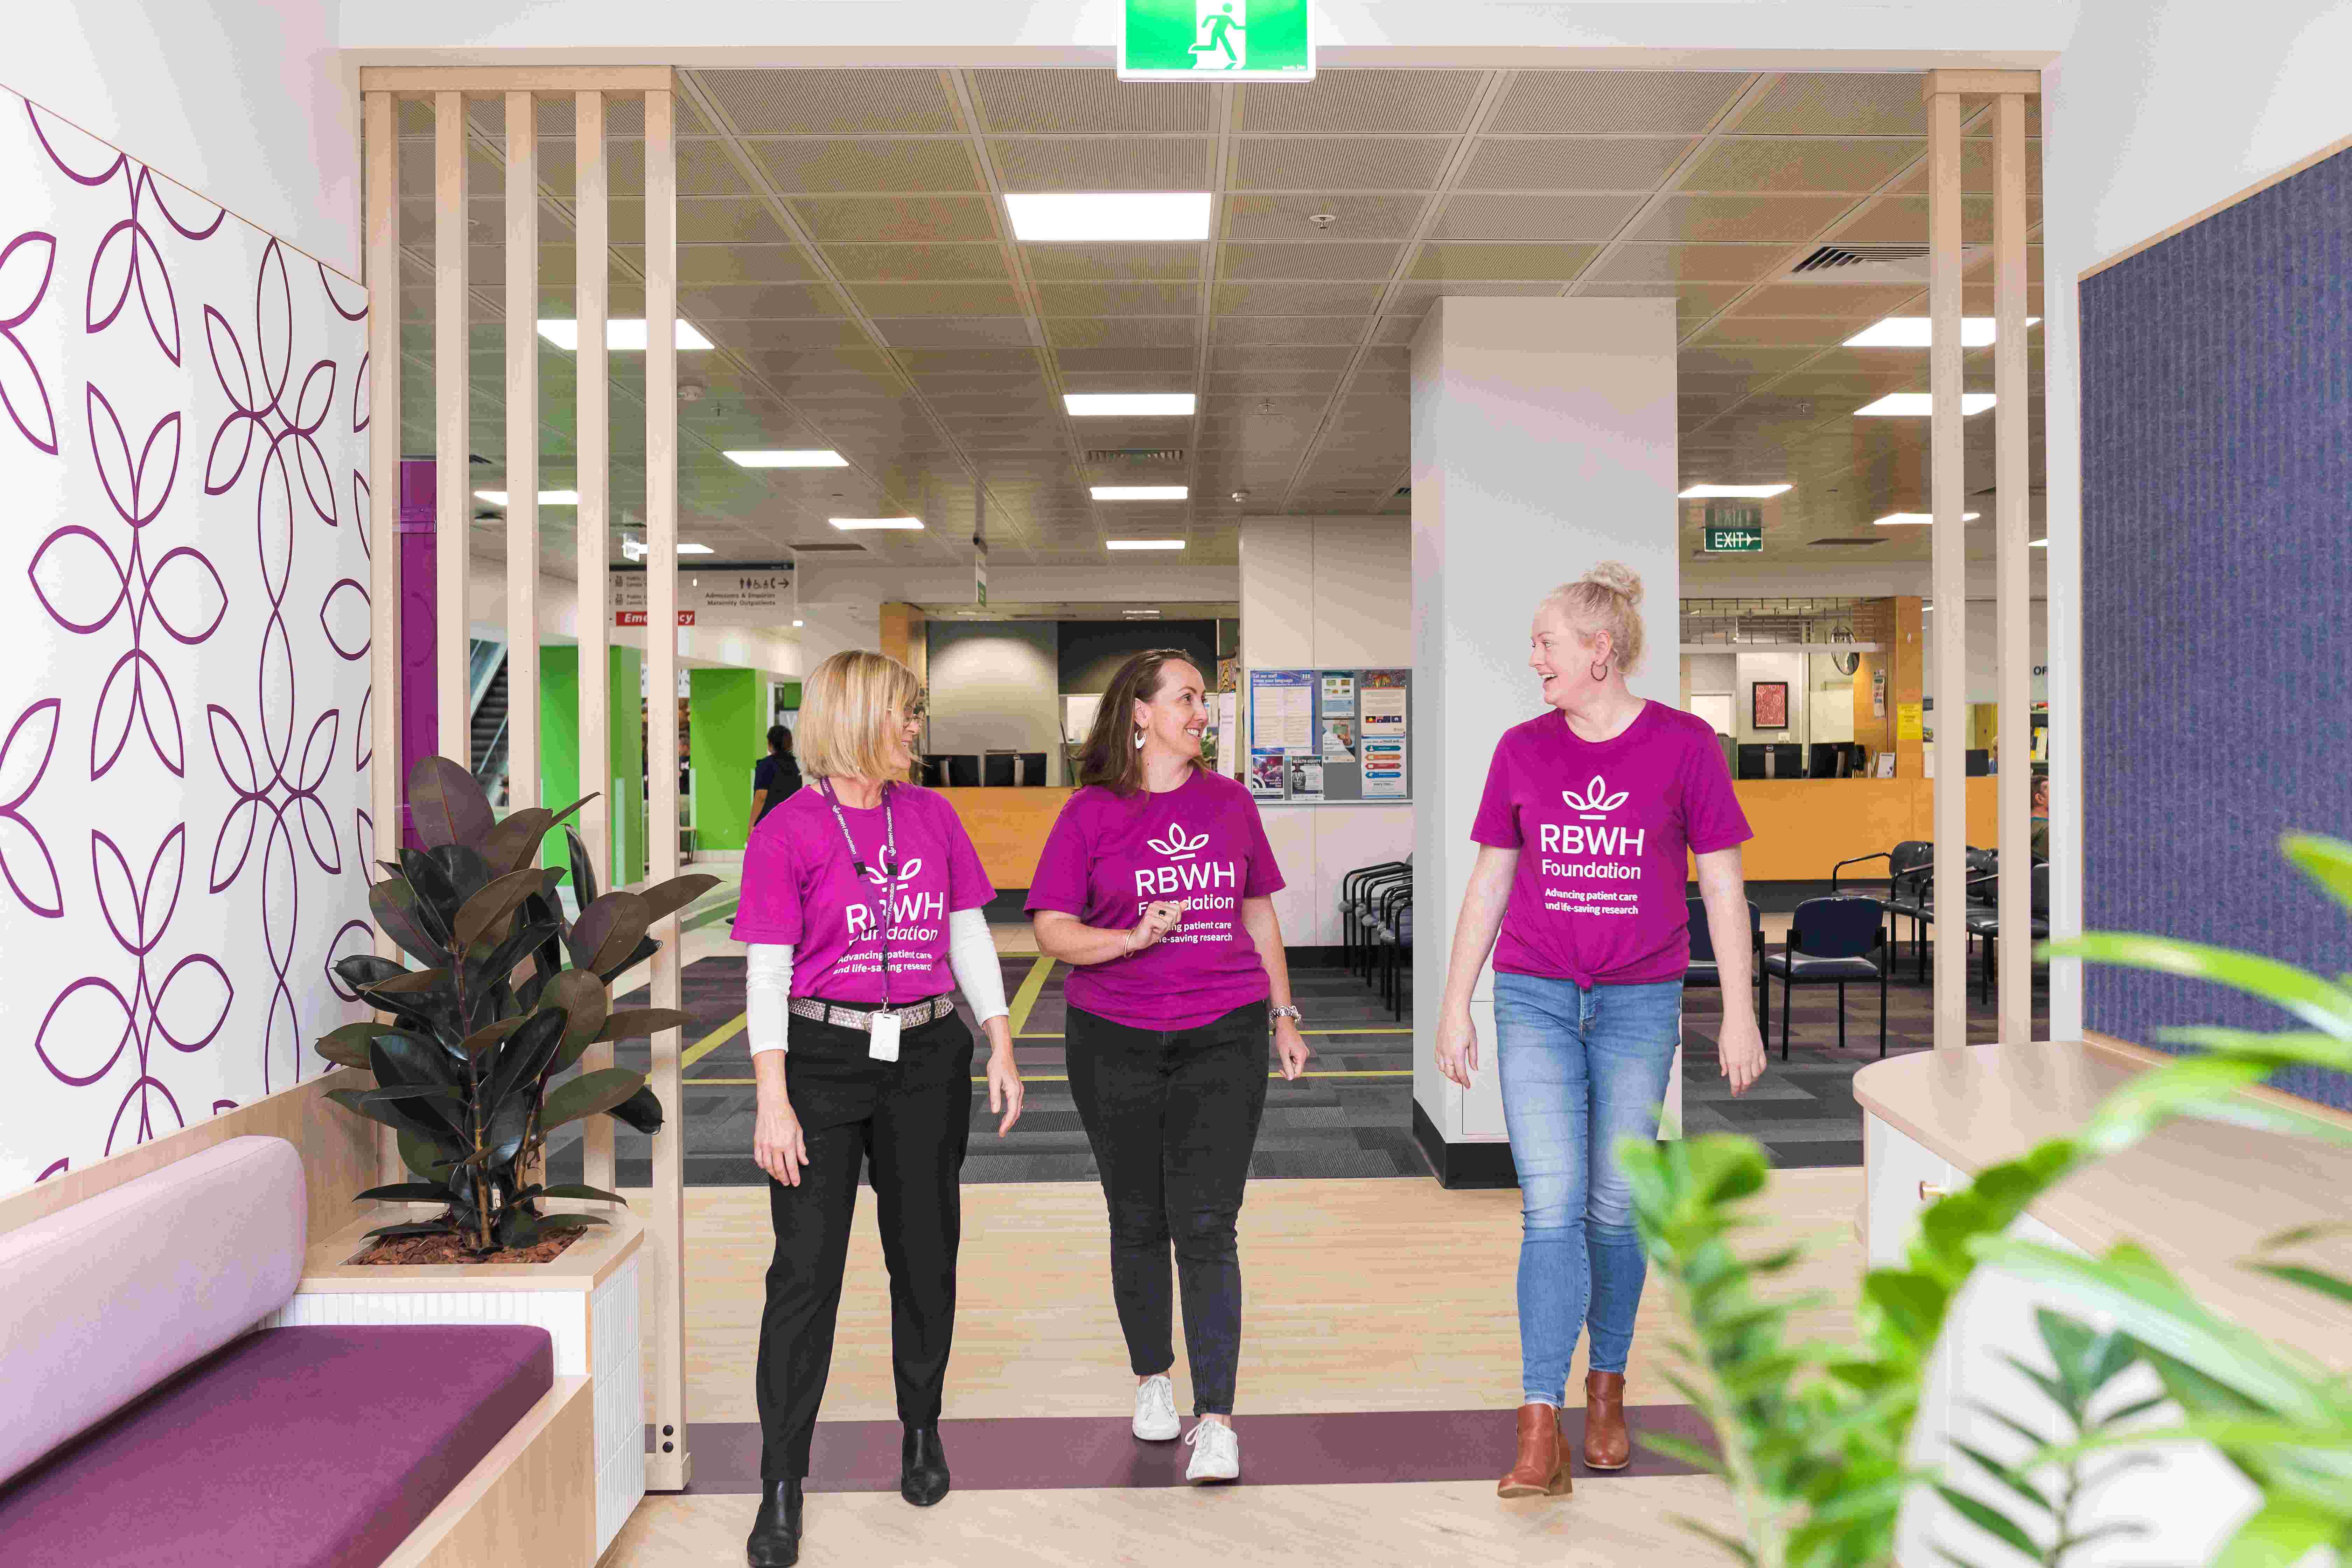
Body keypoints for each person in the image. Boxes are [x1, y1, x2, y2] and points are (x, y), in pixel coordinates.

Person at [1434, 562, 1767, 1502]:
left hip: (1638, 1001)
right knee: (1551, 1201)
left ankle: (1608, 1388)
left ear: (1599, 653)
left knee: (1613, 1207)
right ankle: (1539, 1422)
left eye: (1547, 642)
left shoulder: (1685, 746)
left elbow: (1724, 888)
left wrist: (1737, 1011)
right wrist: (1457, 1001)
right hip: (1535, 993)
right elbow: (1492, 881)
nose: (1533, 658)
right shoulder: (1522, 749)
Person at [733, 650, 1025, 1568]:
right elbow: (768, 972)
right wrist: (771, 1100)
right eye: (904, 714)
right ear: (858, 717)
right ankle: (783, 1481)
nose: (914, 730)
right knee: (805, 1275)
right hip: (820, 1062)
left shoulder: (933, 817)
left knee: (925, 1256)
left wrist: (1000, 1038)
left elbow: (966, 930)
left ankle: (922, 1430)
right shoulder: (787, 833)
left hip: (926, 1057)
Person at [1027, 648, 1310, 1485]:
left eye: (1205, 699)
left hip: (1222, 1031)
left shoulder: (1230, 803)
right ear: (1140, 714)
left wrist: (1284, 1015)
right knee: (1138, 1216)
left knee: (1208, 1223)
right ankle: (1153, 1379)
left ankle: (1216, 1418)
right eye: (1188, 698)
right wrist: (1128, 940)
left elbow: (1258, 914)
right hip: (1112, 1035)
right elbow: (1050, 928)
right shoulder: (1088, 814)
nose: (1203, 712)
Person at [752, 723, 802, 827]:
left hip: (768, 823)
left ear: (771, 744)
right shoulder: (794, 767)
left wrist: (751, 824)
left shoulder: (766, 765)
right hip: (789, 823)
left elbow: (761, 797)